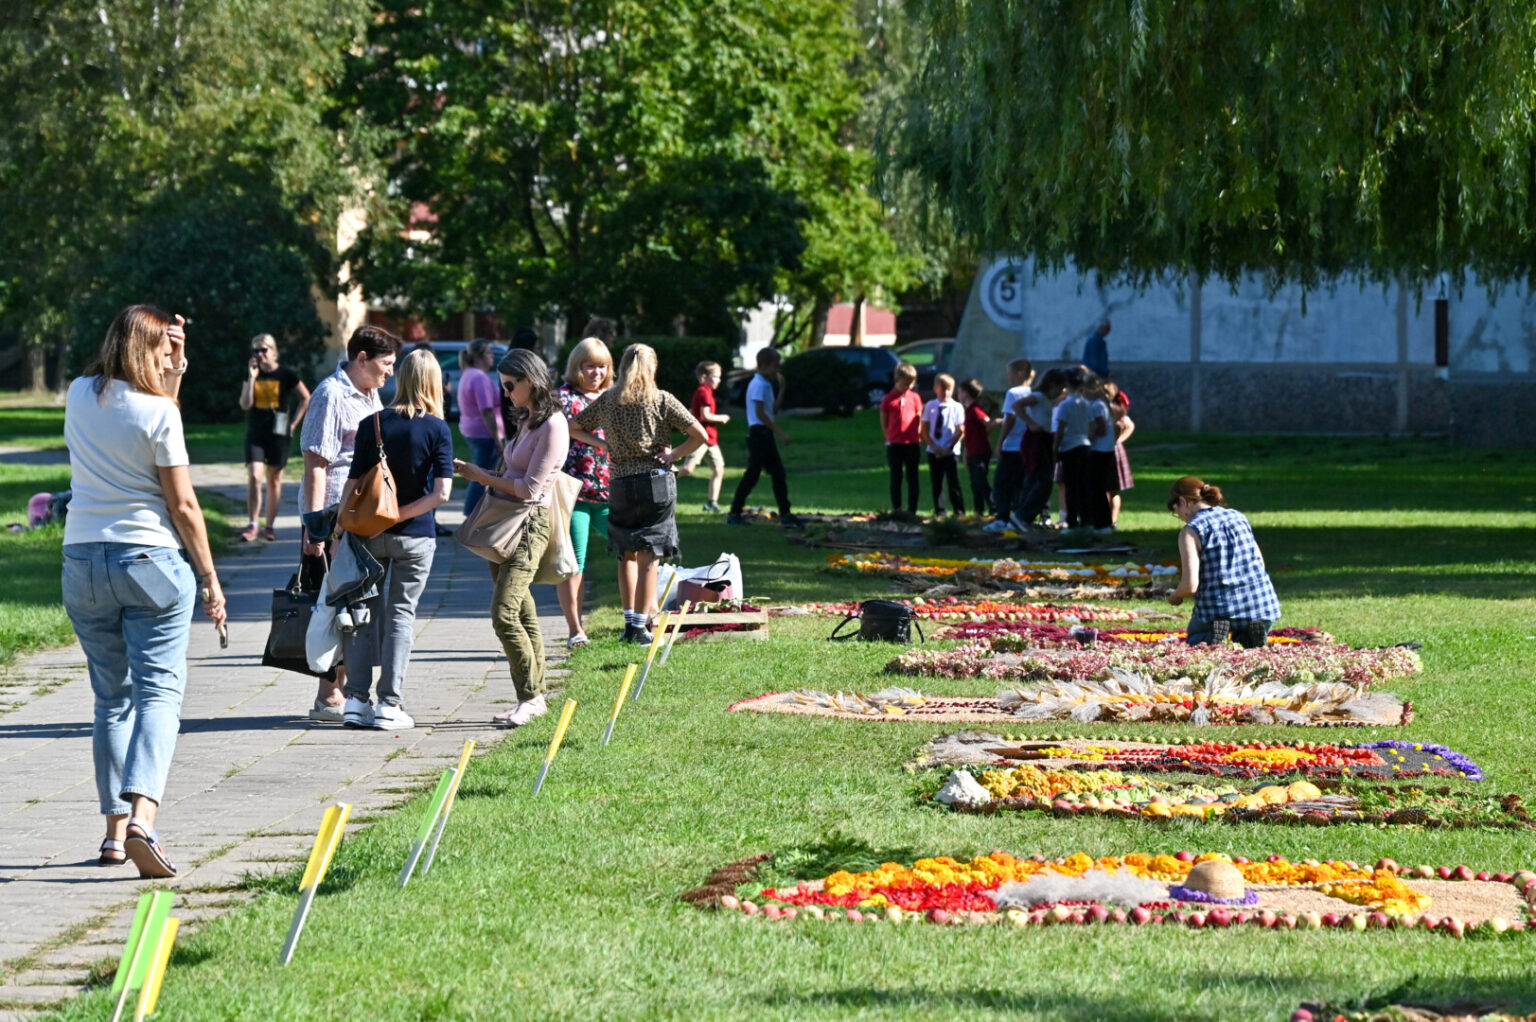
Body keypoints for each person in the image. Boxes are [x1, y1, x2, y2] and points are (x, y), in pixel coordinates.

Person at [62, 304, 228, 878]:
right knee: (159, 693)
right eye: (162, 353)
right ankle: (143, 821)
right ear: (144, 351)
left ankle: (113, 836)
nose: (166, 362)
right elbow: (182, 504)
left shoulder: (78, 394)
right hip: (149, 560)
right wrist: (209, 577)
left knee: (111, 699)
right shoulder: (160, 413)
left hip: (82, 560)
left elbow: (153, 408)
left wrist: (175, 369)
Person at [335, 349, 454, 731]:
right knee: (401, 615)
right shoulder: (437, 429)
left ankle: (355, 701)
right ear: (434, 383)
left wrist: (339, 530)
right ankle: (389, 703)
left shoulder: (372, 423)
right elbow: (442, 494)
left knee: (362, 615)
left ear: (401, 378)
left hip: (368, 535)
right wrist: (400, 515)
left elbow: (353, 484)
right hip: (415, 538)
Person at [456, 350, 571, 724]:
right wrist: (482, 473)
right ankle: (534, 697)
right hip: (508, 524)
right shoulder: (529, 419)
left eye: (509, 385)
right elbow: (514, 476)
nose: (505, 393)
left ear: (530, 381)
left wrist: (481, 476)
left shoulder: (553, 424)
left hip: (528, 525)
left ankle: (531, 697)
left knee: (504, 614)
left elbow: (530, 489)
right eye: (502, 386)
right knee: (522, 610)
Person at [299, 325, 402, 723]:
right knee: (335, 604)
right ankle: (328, 695)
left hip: (360, 516)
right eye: (385, 363)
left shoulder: (369, 392)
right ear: (362, 358)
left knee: (355, 604)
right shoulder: (331, 394)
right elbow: (316, 463)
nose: (390, 371)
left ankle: (337, 690)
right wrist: (316, 528)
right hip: (334, 519)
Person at [572, 344, 709, 642]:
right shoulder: (662, 399)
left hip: (620, 482)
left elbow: (574, 427)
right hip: (655, 483)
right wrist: (674, 455)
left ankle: (629, 625)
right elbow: (700, 435)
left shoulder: (609, 400)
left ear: (621, 367)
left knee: (626, 554)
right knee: (650, 557)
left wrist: (604, 445)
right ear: (653, 368)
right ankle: (643, 626)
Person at [1167, 476, 1281, 648]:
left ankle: (1213, 634)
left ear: (1184, 501)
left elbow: (1190, 586)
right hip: (1262, 604)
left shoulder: (1191, 531)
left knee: (1195, 639)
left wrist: (1175, 596)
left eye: (1178, 513)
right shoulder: (1238, 516)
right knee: (1246, 636)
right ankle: (1246, 634)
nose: (1182, 518)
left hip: (1219, 608)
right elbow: (1260, 562)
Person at [554, 337, 614, 648]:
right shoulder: (563, 397)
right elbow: (562, 431)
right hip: (573, 493)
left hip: (611, 492)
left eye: (602, 366)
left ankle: (640, 619)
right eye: (589, 366)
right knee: (574, 562)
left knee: (631, 549)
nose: (596, 373)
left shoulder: (614, 396)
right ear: (577, 367)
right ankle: (575, 629)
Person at [237, 334, 310, 542]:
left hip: (279, 433)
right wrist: (251, 377)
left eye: (264, 349)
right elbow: (245, 404)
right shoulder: (252, 373)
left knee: (274, 479)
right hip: (256, 433)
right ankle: (253, 524)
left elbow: (306, 397)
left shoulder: (286, 374)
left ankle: (269, 526)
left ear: (274, 351)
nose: (259, 354)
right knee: (254, 476)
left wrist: (294, 424)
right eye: (255, 350)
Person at [726, 348, 801, 529]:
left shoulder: (766, 384)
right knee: (753, 475)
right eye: (775, 366)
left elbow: (772, 410)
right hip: (759, 434)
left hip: (764, 434)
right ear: (764, 365)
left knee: (777, 473)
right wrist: (780, 432)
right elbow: (760, 414)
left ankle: (785, 513)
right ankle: (735, 512)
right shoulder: (759, 384)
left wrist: (782, 389)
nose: (777, 370)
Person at [1053, 369, 1110, 529]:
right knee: (1084, 484)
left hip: (1070, 447)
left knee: (1071, 486)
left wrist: (1055, 448)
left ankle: (1072, 520)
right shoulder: (1086, 403)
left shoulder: (1065, 405)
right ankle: (1086, 519)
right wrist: (1088, 439)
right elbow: (1092, 427)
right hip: (1085, 445)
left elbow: (1060, 429)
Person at [456, 339, 504, 515]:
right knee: (481, 476)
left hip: (473, 431)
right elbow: (487, 411)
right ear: (478, 357)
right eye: (489, 353)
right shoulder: (478, 377)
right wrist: (498, 439)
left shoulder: (469, 374)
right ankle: (471, 513)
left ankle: (473, 513)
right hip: (484, 434)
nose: (493, 356)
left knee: (480, 473)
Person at [984, 359, 1033, 532]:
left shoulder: (1013, 393)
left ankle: (1002, 518)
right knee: (1021, 483)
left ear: (1019, 374)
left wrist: (1000, 442)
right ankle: (1018, 517)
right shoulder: (1033, 392)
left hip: (1013, 445)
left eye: (1009, 374)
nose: (1008, 378)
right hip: (1027, 445)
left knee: (1002, 483)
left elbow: (1010, 418)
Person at [1016, 368, 1068, 529]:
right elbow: (1017, 405)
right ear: (1052, 385)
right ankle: (1023, 515)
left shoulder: (1046, 399)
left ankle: (1021, 515)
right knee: (1043, 482)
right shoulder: (1038, 396)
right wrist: (1031, 423)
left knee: (1034, 479)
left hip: (1044, 439)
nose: (1060, 392)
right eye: (1059, 389)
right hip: (1036, 439)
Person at [676, 361, 729, 512]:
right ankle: (660, 477)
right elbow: (705, 415)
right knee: (687, 469)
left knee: (719, 469)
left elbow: (693, 411)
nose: (719, 380)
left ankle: (712, 503)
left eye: (719, 377)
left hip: (711, 439)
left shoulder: (705, 392)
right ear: (704, 377)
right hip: (701, 438)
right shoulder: (704, 392)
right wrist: (721, 417)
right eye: (716, 377)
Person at [919, 373, 965, 515]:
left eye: (948, 389)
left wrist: (949, 447)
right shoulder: (930, 406)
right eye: (942, 389)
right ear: (935, 389)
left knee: (953, 482)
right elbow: (924, 428)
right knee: (937, 482)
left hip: (951, 451)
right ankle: (940, 511)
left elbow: (961, 430)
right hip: (934, 450)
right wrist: (934, 446)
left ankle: (959, 511)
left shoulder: (957, 407)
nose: (945, 392)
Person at [880, 362, 922, 515]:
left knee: (913, 477)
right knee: (896, 477)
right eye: (906, 383)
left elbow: (918, 418)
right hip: (895, 444)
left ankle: (912, 510)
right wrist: (890, 437)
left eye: (911, 383)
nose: (909, 387)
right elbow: (884, 422)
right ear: (897, 379)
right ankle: (897, 508)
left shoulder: (915, 398)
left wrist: (917, 435)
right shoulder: (888, 399)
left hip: (912, 443)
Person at [1085, 376, 1119, 535]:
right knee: (1097, 488)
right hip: (1105, 450)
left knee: (1097, 488)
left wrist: (1087, 438)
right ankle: (1100, 522)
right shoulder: (1101, 404)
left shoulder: (1097, 405)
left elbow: (1100, 429)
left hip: (1100, 450)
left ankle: (1101, 523)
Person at [957, 378, 994, 517]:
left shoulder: (975, 409)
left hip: (980, 451)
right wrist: (966, 453)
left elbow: (987, 422)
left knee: (981, 481)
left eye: (960, 392)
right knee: (975, 483)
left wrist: (986, 432)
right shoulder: (968, 411)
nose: (958, 395)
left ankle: (994, 507)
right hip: (972, 451)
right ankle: (979, 511)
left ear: (966, 393)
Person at [1104, 381, 1136, 526]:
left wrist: (1118, 440)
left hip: (1112, 452)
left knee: (1112, 490)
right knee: (1107, 489)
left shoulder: (1113, 410)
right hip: (1111, 450)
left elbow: (1129, 425)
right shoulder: (1112, 409)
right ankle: (1107, 520)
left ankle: (1112, 520)